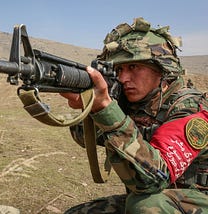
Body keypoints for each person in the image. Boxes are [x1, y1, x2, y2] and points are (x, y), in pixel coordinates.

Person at [61, 17, 208, 213]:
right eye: (119, 69)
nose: (123, 78)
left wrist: (106, 110)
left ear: (162, 69)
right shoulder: (135, 102)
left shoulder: (191, 109)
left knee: (147, 207)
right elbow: (85, 138)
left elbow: (155, 179)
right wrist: (90, 107)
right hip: (154, 199)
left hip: (195, 202)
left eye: (133, 67)